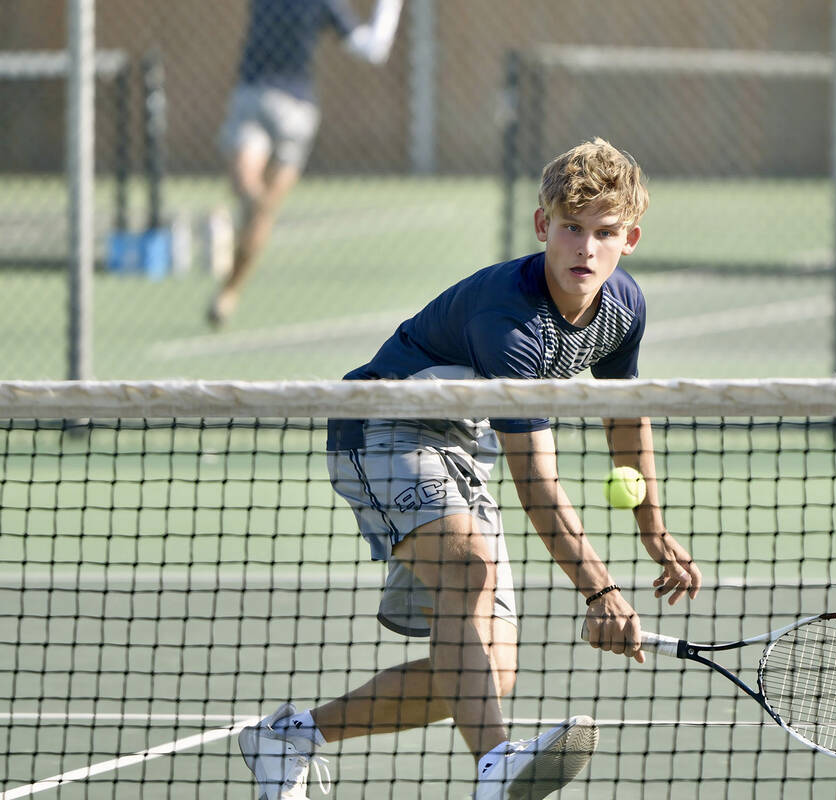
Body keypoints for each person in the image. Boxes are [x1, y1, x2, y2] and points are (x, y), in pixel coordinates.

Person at [237, 138, 703, 800]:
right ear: (544, 226)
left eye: (603, 233)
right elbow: (536, 481)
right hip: (383, 425)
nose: (585, 248)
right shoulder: (509, 320)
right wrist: (600, 591)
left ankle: (291, 736)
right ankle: (495, 764)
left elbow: (625, 417)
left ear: (629, 238)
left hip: (463, 443)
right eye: (571, 228)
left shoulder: (624, 307)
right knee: (468, 565)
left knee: (492, 671)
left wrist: (653, 532)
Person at [209, 0, 403, 328]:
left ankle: (228, 292)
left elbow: (372, 49)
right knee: (247, 187)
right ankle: (240, 230)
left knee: (263, 210)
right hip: (253, 96)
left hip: (295, 110)